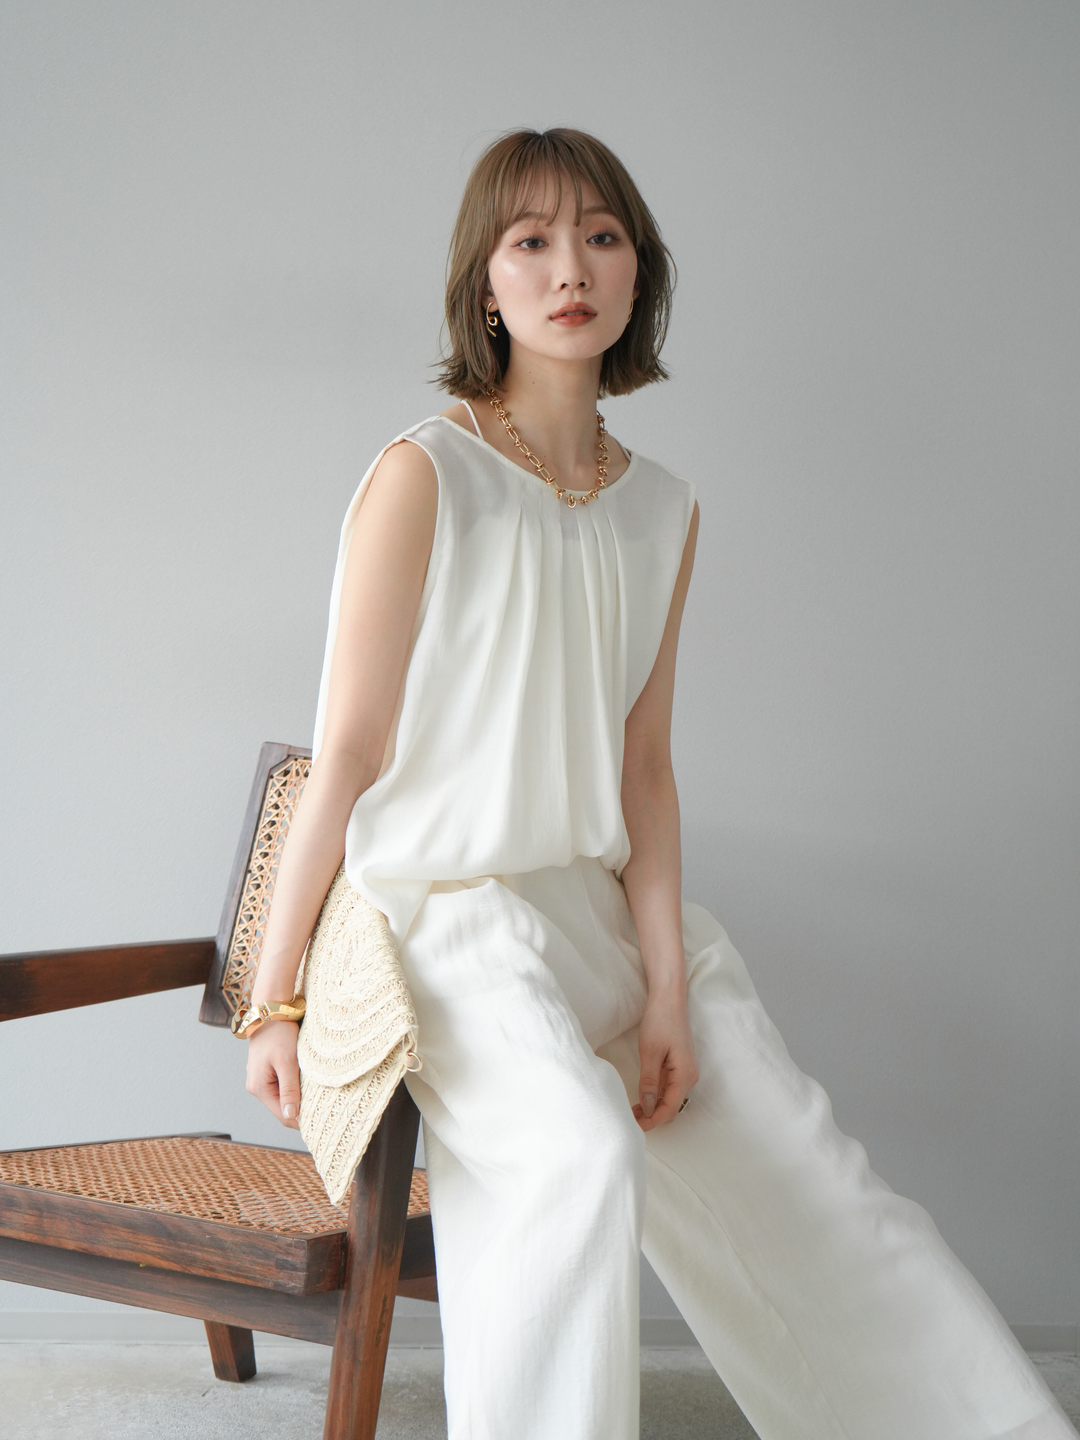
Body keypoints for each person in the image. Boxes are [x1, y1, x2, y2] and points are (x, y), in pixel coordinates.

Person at [242, 128, 1074, 1440]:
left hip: (597, 910)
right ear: (484, 284)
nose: (570, 267)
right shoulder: (423, 475)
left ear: (640, 272)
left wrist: (670, 990)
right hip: (443, 918)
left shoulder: (664, 508)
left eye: (602, 236)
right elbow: (345, 752)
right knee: (576, 1161)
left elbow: (644, 770)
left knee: (803, 1168)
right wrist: (275, 996)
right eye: (530, 240)